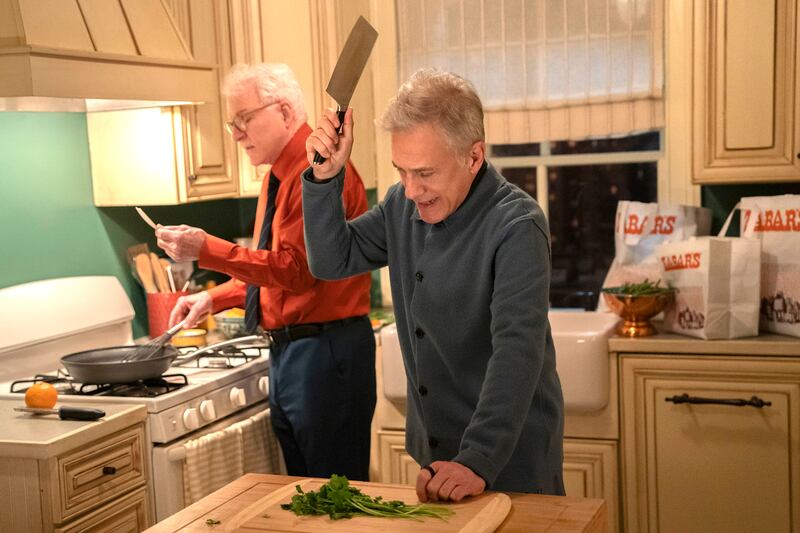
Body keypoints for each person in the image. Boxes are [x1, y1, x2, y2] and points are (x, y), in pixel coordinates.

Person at [302, 68, 564, 501]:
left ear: (473, 156)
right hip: (437, 458)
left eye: (424, 172)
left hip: (507, 459)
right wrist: (327, 176)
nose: (410, 189)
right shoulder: (400, 208)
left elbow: (517, 351)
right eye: (401, 171)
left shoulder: (517, 224)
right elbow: (332, 259)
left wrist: (477, 459)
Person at [154, 63, 376, 481]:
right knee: (303, 497)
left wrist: (208, 248)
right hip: (291, 354)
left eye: (244, 119)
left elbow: (297, 272)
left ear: (286, 112)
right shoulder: (277, 177)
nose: (236, 134)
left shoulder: (321, 174)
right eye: (231, 123)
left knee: (336, 501)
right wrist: (213, 298)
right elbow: (273, 272)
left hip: (326, 354)